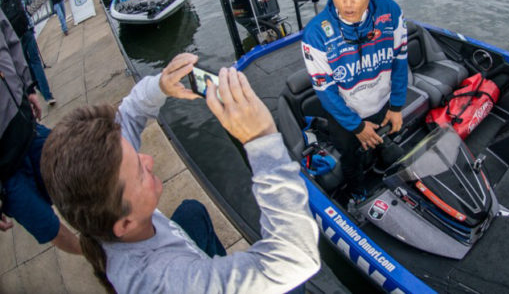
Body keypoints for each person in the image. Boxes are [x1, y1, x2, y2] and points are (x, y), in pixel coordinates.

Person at [41, 54, 320, 293]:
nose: (148, 160)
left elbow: (128, 114)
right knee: (297, 285)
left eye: (135, 154)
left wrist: (161, 85)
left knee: (192, 211)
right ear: (124, 224)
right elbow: (297, 257)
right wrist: (262, 138)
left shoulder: (108, 210)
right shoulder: (166, 281)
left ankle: (214, 266)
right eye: (139, 171)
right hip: (188, 276)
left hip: (183, 256)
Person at [301, 0, 408, 203]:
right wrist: (356, 126)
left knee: (382, 142)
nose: (348, 3)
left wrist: (397, 106)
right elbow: (325, 92)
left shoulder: (391, 13)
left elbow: (400, 62)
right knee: (351, 158)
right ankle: (357, 191)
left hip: (383, 105)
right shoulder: (315, 34)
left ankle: (384, 161)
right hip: (344, 115)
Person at [0, 11, 80, 255]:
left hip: (27, 129)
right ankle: (102, 264)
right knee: (49, 226)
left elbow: (10, 41)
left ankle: (113, 244)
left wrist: (27, 86)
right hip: (5, 173)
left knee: (78, 169)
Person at [0, 0, 55, 105]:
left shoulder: (1, 1)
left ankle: (37, 90)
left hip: (16, 36)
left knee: (27, 65)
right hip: (27, 28)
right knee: (36, 61)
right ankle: (48, 95)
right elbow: (30, 1)